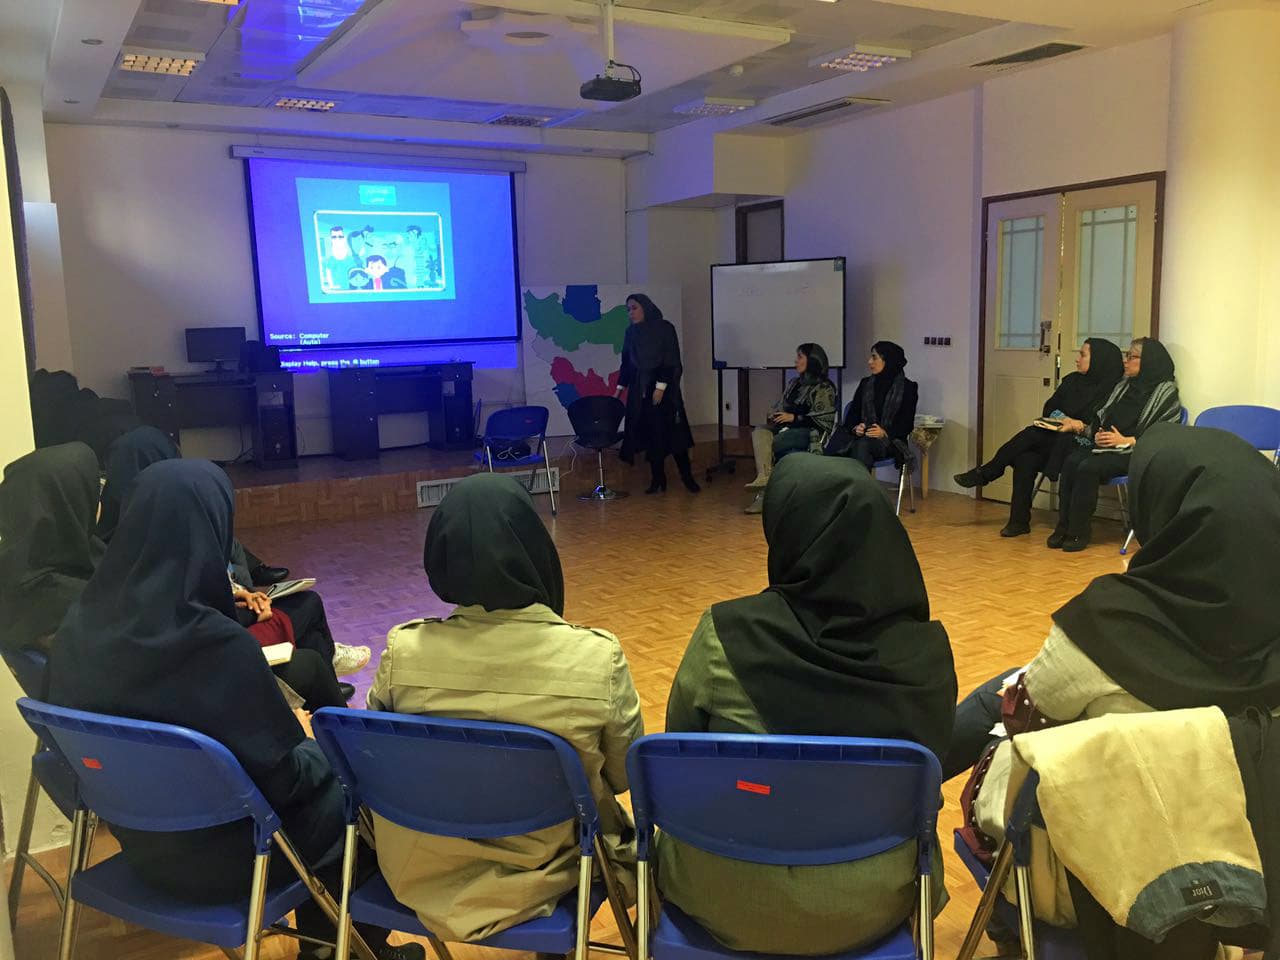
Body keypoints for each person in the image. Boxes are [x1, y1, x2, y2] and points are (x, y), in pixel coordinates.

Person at [47, 460, 422, 960]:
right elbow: (288, 784)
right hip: (238, 856)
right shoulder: (218, 648)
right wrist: (312, 745)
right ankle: (341, 951)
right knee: (364, 792)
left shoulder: (76, 633)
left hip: (143, 849)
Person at [949, 424, 1280, 953]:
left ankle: (1001, 922)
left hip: (1091, 876)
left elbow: (1027, 718)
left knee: (1004, 721)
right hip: (1234, 874)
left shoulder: (1107, 621)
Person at [661, 454, 956, 955]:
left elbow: (679, 755)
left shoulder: (724, 633)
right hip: (872, 903)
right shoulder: (928, 655)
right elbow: (931, 776)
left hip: (724, 894)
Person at [366, 473, 644, 942]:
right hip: (552, 866)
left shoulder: (403, 652)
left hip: (425, 869)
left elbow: (377, 761)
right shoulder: (597, 657)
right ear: (534, 547)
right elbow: (622, 776)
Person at [99, 426, 370, 677]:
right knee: (308, 609)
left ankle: (324, 672)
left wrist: (237, 593)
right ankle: (325, 672)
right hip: (210, 655)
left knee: (309, 641)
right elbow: (188, 615)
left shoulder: (118, 532)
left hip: (208, 635)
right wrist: (247, 607)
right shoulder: (155, 529)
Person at [953, 338, 1125, 537]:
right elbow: (1050, 407)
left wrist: (1077, 426)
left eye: (1083, 355)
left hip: (1082, 446)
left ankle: (989, 471)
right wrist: (1064, 420)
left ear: (1099, 360)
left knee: (1032, 435)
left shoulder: (1113, 391)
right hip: (1054, 439)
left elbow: (1099, 425)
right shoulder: (1072, 381)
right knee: (1025, 457)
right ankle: (1018, 522)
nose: (1077, 359)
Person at [1047, 337, 1180, 551]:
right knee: (1071, 461)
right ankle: (1063, 527)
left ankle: (1078, 532)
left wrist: (1127, 441)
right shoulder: (1124, 385)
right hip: (1106, 446)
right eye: (1126, 356)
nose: (1126, 361)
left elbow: (1165, 434)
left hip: (1135, 451)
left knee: (1088, 467)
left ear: (1148, 361)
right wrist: (1097, 433)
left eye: (1132, 357)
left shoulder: (1165, 391)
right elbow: (1103, 415)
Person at [0, 443, 103, 657]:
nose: (99, 501)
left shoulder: (13, 567)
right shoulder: (88, 605)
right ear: (69, 502)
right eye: (94, 489)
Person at [616, 293, 700, 494]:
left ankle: (687, 478)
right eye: (628, 309)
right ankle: (657, 480)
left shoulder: (665, 328)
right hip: (641, 391)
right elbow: (627, 362)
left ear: (645, 307)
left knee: (675, 436)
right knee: (652, 436)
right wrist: (619, 388)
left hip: (666, 392)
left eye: (634, 308)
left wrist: (660, 387)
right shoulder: (631, 333)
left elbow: (671, 359)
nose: (630, 313)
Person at [743, 343, 838, 515]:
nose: (796, 361)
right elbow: (782, 405)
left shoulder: (824, 387)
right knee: (760, 431)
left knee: (774, 442)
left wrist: (794, 418)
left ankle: (765, 494)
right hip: (785, 428)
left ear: (812, 360)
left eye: (800, 357)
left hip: (809, 432)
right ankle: (764, 479)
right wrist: (776, 415)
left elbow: (822, 420)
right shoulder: (794, 383)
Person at [830, 341, 918, 470]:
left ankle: (856, 482)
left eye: (874, 357)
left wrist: (884, 432)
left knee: (861, 445)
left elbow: (906, 424)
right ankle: (853, 481)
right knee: (846, 444)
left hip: (891, 442)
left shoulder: (908, 387)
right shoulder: (865, 384)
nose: (869, 362)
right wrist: (856, 428)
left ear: (888, 360)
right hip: (861, 437)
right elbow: (852, 416)